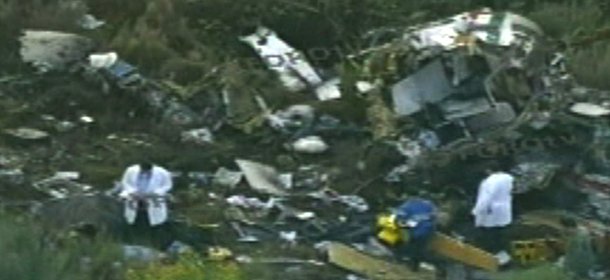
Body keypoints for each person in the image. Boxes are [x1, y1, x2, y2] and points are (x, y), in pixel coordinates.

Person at [471, 161, 514, 262]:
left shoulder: (488, 182)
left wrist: (477, 212)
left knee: (492, 238)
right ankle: (507, 257)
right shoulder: (508, 178)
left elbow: (485, 199)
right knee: (502, 235)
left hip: (491, 213)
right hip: (505, 208)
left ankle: (499, 261)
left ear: (488, 170)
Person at [119, 162, 173, 227]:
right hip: (135, 198)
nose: (144, 172)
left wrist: (156, 193)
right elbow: (126, 183)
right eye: (142, 169)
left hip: (153, 199)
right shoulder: (131, 170)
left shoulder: (162, 172)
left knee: (154, 220)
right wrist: (133, 192)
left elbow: (167, 185)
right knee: (134, 219)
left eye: (146, 170)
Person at [394, 198, 437, 271]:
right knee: (419, 248)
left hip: (417, 229)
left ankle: (403, 260)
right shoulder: (429, 204)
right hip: (427, 230)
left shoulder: (408, 204)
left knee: (412, 245)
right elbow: (434, 218)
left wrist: (404, 225)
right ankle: (414, 265)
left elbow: (399, 217)